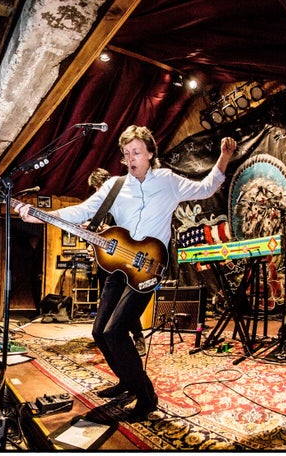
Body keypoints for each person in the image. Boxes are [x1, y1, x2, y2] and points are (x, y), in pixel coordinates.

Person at [16, 125, 236, 422]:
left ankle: (147, 397)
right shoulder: (115, 186)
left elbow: (207, 187)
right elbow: (81, 211)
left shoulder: (168, 181)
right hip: (118, 266)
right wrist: (42, 216)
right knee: (99, 332)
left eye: (136, 152)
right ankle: (127, 382)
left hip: (150, 267)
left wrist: (224, 156)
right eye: (126, 153)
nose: (131, 158)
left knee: (116, 331)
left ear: (150, 153)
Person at [87, 168, 147, 357]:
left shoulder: (123, 201)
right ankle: (108, 334)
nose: (96, 192)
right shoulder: (102, 208)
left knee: (123, 303)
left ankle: (137, 337)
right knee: (107, 302)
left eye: (97, 187)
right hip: (107, 262)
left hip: (125, 262)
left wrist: (110, 228)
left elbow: (132, 231)